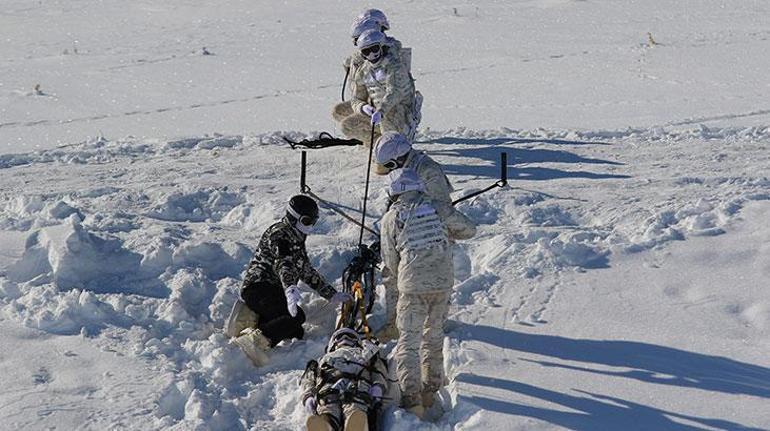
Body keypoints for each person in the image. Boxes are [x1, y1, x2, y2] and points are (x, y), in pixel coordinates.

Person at [379, 169, 476, 418]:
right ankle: (431, 388)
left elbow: (390, 259)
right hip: (442, 283)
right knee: (433, 337)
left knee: (408, 342)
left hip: (412, 286)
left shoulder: (392, 217)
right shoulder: (438, 208)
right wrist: (446, 234)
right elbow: (469, 230)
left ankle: (411, 397)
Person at [225, 195, 351, 366]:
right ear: (293, 217)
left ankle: (250, 319)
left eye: (313, 222)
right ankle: (253, 341)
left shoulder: (297, 239)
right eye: (306, 221)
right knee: (296, 316)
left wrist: (332, 295)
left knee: (295, 331)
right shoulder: (280, 234)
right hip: (259, 287)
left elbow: (306, 271)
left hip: (275, 291)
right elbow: (283, 263)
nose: (310, 227)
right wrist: (290, 288)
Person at [372, 132, 455, 341]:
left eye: (390, 165)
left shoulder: (429, 172)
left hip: (429, 239)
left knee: (408, 277)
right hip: (405, 234)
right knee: (391, 273)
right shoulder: (405, 168)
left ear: (398, 158)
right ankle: (398, 322)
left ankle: (426, 326)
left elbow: (441, 210)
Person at [337, 29, 420, 147]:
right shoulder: (364, 71)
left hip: (398, 113)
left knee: (387, 116)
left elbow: (394, 93)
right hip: (377, 113)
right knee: (347, 125)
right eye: (366, 51)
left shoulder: (395, 67)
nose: (372, 54)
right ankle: (381, 146)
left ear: (381, 47)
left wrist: (381, 111)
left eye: (374, 49)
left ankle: (398, 144)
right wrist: (363, 107)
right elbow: (356, 99)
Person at [301, 328, 389, 431]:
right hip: (329, 389)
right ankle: (326, 424)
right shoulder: (321, 360)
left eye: (350, 337)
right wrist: (308, 396)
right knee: (328, 409)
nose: (345, 339)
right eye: (340, 337)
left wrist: (378, 386)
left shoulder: (368, 354)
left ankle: (356, 424)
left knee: (355, 409)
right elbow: (309, 379)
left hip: (357, 387)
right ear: (333, 344)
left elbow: (379, 371)